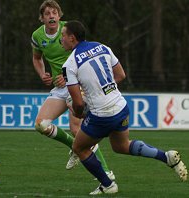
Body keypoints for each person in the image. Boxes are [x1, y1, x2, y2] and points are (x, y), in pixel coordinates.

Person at [61, 20, 188, 195]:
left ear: (72, 38)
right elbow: (120, 75)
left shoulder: (69, 65)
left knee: (79, 148)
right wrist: (103, 91)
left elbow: (78, 104)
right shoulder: (102, 47)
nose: (61, 39)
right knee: (121, 146)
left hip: (101, 114)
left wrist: (76, 111)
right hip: (120, 106)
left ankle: (107, 184)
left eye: (63, 36)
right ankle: (166, 157)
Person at [31, 0, 115, 179]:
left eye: (54, 12)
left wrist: (67, 75)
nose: (51, 16)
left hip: (78, 85)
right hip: (60, 88)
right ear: (42, 18)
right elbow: (37, 58)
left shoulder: (69, 31)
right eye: (47, 14)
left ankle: (106, 172)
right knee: (41, 124)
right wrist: (42, 73)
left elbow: (83, 53)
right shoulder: (37, 36)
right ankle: (74, 148)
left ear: (59, 15)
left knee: (77, 130)